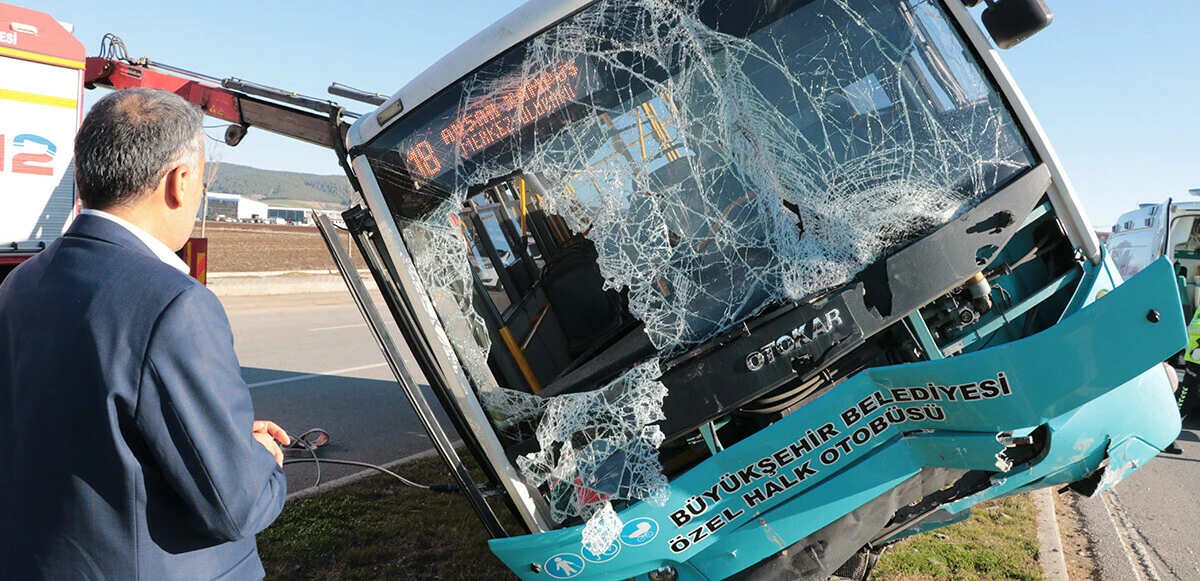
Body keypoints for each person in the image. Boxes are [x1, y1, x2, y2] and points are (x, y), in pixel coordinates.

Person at [0, 89, 289, 579]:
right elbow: (235, 505)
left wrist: (221, 440)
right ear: (180, 182)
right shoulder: (175, 305)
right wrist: (259, 456)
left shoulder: (20, 283)